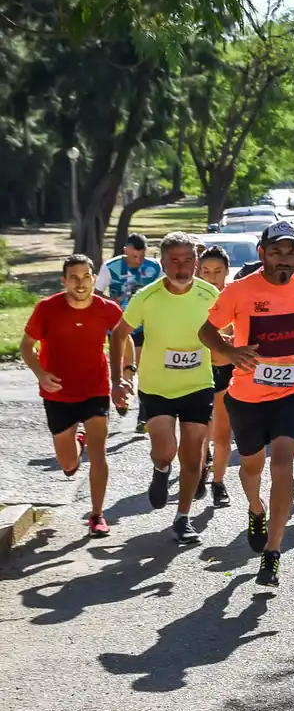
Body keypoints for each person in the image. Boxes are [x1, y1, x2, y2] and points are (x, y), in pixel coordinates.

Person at [199, 222, 294, 587]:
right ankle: (256, 509)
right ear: (262, 253)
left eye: (291, 252)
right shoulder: (239, 291)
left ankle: (273, 552)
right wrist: (229, 351)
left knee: (282, 463)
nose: (285, 259)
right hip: (246, 397)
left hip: (293, 392)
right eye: (276, 251)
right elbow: (206, 331)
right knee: (251, 468)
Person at [108, 232, 218, 542]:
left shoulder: (210, 295)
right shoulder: (147, 296)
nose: (181, 268)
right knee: (165, 450)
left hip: (198, 383)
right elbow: (119, 334)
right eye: (174, 261)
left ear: (196, 262)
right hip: (157, 387)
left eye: (187, 261)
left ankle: (182, 518)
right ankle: (160, 470)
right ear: (163, 263)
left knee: (194, 451)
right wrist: (118, 379)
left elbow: (229, 332)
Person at [22, 255, 121, 536]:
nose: (80, 283)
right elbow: (27, 347)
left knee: (99, 453)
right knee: (68, 464)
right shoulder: (46, 308)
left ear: (93, 278)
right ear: (64, 281)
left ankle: (97, 515)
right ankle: (76, 443)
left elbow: (123, 336)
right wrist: (41, 374)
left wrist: (124, 374)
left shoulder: (107, 309)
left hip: (95, 388)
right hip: (58, 392)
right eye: (74, 277)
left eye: (86, 276)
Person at [102, 232, 163, 428]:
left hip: (146, 324)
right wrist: (111, 301)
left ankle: (143, 415)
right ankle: (123, 398)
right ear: (124, 251)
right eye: (133, 256)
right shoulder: (110, 267)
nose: (137, 261)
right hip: (119, 325)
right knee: (124, 367)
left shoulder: (154, 267)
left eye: (141, 256)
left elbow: (164, 291)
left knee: (142, 367)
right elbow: (95, 295)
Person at [195, 246, 235, 507]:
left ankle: (218, 482)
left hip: (227, 372)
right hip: (197, 372)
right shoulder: (191, 299)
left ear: (227, 272)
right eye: (206, 271)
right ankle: (199, 471)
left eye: (218, 271)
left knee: (222, 434)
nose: (212, 277)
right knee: (199, 433)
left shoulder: (235, 297)